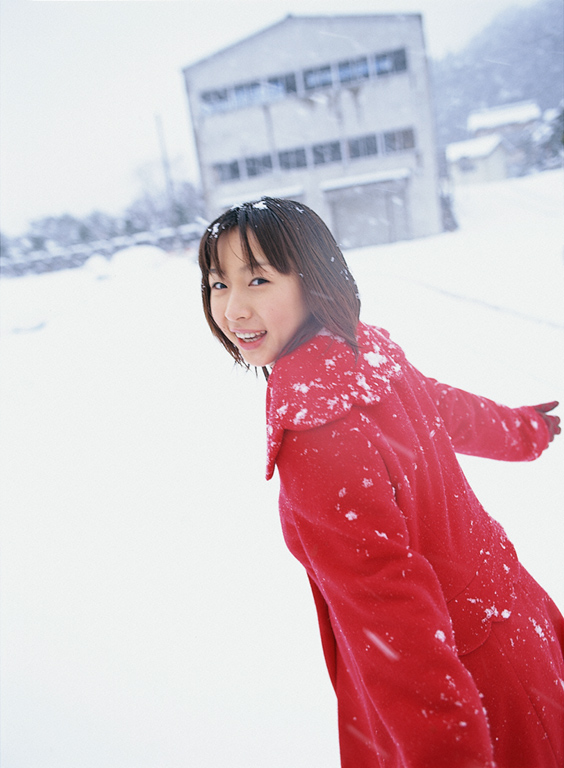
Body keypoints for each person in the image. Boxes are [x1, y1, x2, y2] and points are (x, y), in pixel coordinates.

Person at [198, 197, 563, 768]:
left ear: (312, 279)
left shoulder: (317, 433)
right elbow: (445, 407)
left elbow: (397, 628)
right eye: (218, 284)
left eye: (258, 279)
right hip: (517, 629)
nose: (233, 309)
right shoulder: (362, 353)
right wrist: (524, 431)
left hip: (468, 687)